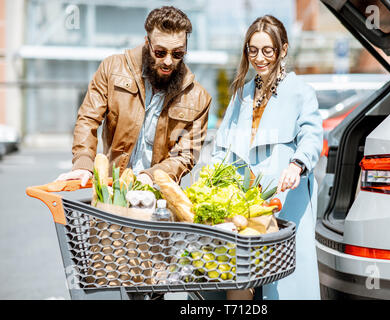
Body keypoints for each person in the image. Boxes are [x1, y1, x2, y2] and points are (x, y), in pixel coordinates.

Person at [210, 15, 323, 300]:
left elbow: (312, 136)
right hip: (244, 202)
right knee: (239, 275)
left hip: (284, 201)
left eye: (267, 51)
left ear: (283, 50)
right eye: (252, 50)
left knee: (284, 282)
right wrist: (212, 183)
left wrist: (297, 165)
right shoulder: (242, 94)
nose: (259, 58)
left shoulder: (300, 92)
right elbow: (222, 146)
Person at [56, 6, 211, 187]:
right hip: (110, 188)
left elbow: (186, 155)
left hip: (158, 196)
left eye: (177, 54)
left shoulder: (198, 97)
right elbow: (88, 119)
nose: (168, 61)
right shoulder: (112, 68)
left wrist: (148, 177)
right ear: (147, 43)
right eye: (160, 52)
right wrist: (83, 164)